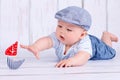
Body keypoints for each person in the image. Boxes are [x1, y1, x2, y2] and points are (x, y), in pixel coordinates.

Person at [20, 6, 118, 68]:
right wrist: (36, 47)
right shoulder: (58, 37)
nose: (62, 31)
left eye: (69, 30)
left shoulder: (85, 43)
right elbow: (47, 41)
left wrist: (71, 61)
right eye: (60, 26)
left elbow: (83, 56)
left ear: (82, 34)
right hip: (82, 40)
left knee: (109, 52)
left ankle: (107, 36)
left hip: (95, 46)